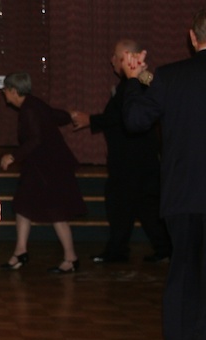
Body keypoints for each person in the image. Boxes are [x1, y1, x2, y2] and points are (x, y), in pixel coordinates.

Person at [121, 7, 206, 340]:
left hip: (181, 194)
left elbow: (134, 121)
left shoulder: (170, 77)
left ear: (193, 37)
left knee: (182, 274)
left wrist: (133, 81)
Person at [70, 39, 171, 264]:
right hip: (135, 160)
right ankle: (155, 249)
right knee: (141, 206)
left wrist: (91, 120)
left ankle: (123, 250)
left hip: (133, 160)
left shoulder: (139, 82)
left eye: (117, 56)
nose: (112, 61)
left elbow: (122, 118)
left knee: (125, 204)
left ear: (128, 57)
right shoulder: (132, 83)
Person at [0, 72, 86, 274]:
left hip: (48, 169)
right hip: (41, 167)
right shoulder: (33, 104)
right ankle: (20, 251)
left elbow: (35, 140)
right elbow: (54, 115)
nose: (4, 94)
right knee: (23, 205)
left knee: (56, 211)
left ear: (13, 91)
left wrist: (12, 157)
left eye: (5, 90)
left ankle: (71, 258)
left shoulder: (29, 109)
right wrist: (69, 115)